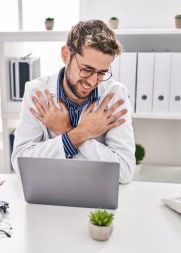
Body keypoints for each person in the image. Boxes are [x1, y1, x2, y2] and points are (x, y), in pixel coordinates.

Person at [11, 20, 135, 184]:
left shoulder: (115, 95)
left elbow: (124, 171)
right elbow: (21, 164)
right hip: (50, 187)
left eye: (101, 73)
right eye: (87, 70)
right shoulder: (36, 92)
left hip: (95, 191)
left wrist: (66, 130)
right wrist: (80, 134)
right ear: (65, 55)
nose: (92, 81)